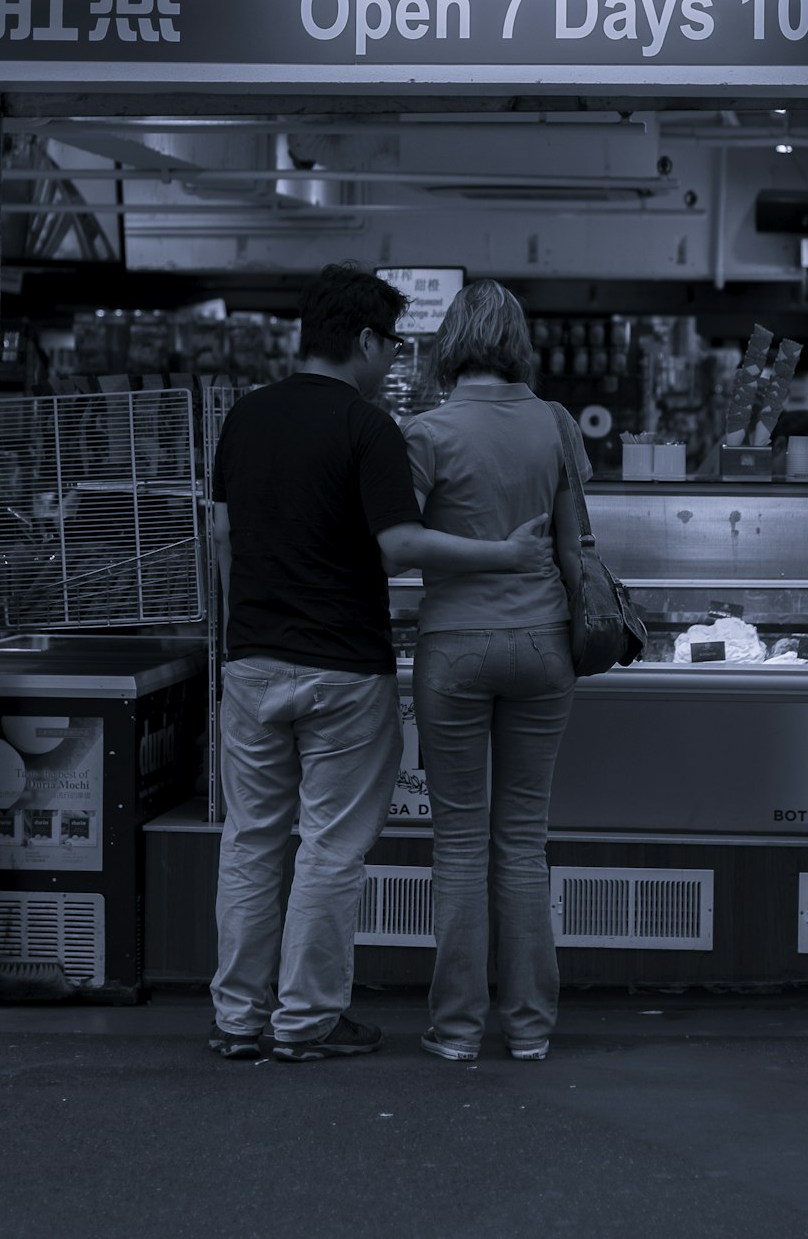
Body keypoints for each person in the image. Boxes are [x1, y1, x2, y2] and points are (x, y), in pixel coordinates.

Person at [209, 263, 553, 1063]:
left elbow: (221, 536)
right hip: (342, 667)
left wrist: (242, 633)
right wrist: (502, 554)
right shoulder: (368, 428)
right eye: (393, 345)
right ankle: (305, 1021)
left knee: (251, 841)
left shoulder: (244, 418)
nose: (396, 360)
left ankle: (235, 1017)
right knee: (329, 846)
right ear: (363, 340)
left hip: (252, 663)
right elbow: (398, 548)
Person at [402, 280, 590, 1063]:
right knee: (522, 842)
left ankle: (453, 1031)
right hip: (544, 643)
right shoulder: (555, 424)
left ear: (451, 342)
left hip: (453, 646)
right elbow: (577, 545)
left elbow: (401, 545)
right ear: (519, 344)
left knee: (458, 844)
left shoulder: (426, 433)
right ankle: (530, 1029)